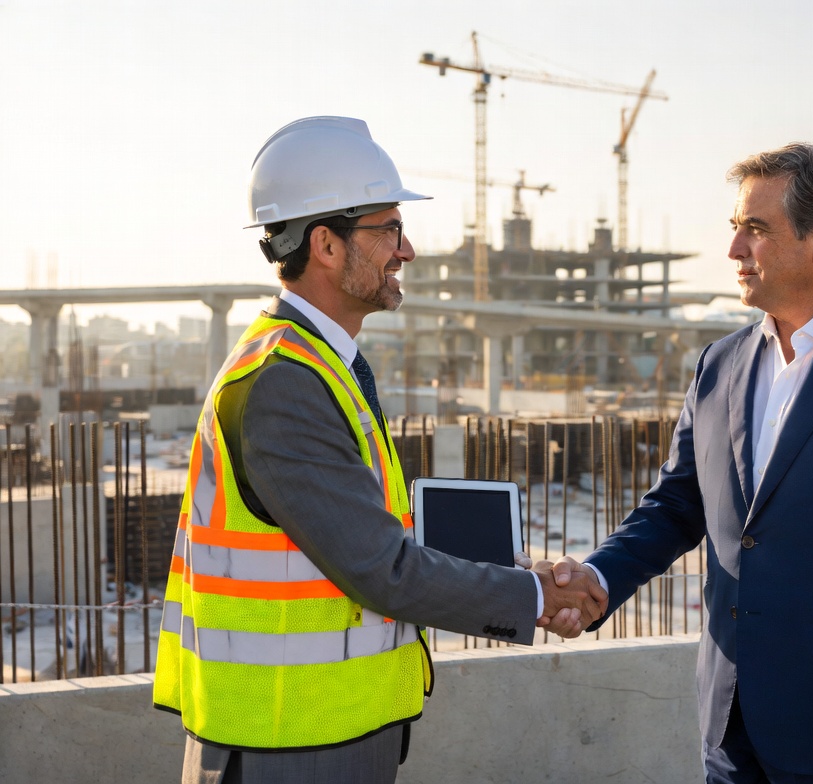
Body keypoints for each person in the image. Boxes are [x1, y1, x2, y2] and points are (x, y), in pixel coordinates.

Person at [153, 116, 606, 784]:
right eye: (389, 229)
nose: (408, 250)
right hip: (286, 743)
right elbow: (381, 569)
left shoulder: (320, 366)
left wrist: (519, 569)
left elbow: (376, 530)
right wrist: (531, 596)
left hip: (320, 733)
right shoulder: (285, 384)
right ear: (328, 246)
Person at [543, 143, 813, 784]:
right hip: (728, 719)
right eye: (735, 229)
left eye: (756, 230)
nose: (734, 252)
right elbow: (677, 504)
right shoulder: (720, 363)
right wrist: (598, 579)